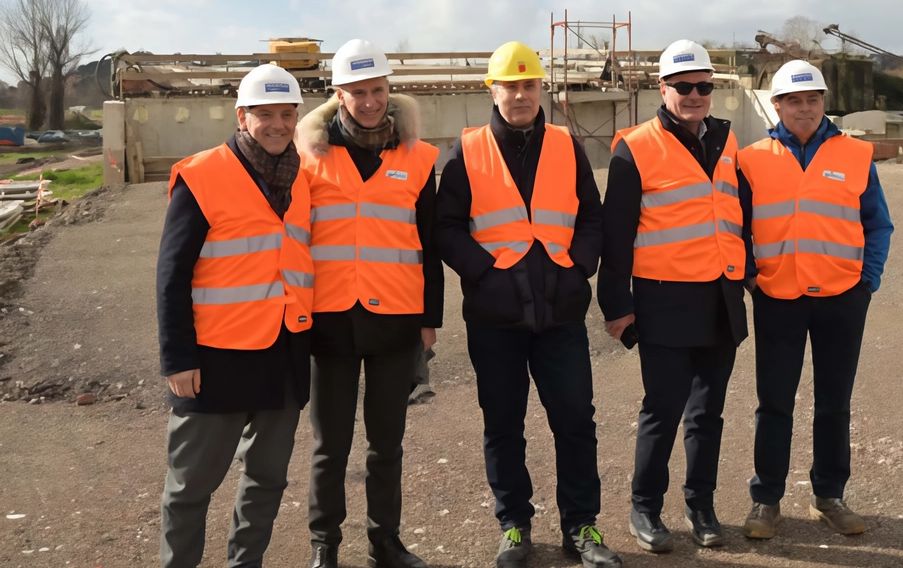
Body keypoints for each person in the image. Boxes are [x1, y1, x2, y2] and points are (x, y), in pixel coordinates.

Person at [435, 41, 620, 568]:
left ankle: (581, 526)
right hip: (496, 318)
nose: (520, 95)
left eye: (529, 84)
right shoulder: (466, 149)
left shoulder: (565, 144)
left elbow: (591, 216)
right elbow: (446, 228)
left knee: (575, 421)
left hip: (559, 314)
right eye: (510, 85)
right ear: (492, 90)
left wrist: (578, 265)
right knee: (502, 424)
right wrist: (484, 272)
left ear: (542, 88)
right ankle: (514, 525)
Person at [156, 64, 313, 568]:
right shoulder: (201, 176)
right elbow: (171, 275)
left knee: (267, 479)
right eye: (264, 114)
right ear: (241, 116)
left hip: (283, 355)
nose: (277, 125)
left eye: (287, 114)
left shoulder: (302, 180)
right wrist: (177, 358)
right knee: (190, 487)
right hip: (214, 358)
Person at [296, 39, 442, 568]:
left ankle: (386, 541)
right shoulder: (308, 155)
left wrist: (430, 321)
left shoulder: (419, 157)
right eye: (357, 92)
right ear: (338, 95)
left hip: (395, 322)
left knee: (387, 445)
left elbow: (429, 242)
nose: (369, 101)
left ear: (389, 90)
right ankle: (324, 545)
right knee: (329, 446)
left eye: (377, 90)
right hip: (328, 320)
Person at [598, 39, 748, 552]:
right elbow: (614, 237)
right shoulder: (635, 146)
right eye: (683, 87)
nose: (695, 95)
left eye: (703, 86)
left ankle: (701, 505)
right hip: (664, 302)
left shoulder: (727, 142)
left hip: (721, 299)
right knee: (662, 410)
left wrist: (747, 272)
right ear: (663, 89)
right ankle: (645, 509)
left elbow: (737, 213)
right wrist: (616, 307)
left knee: (708, 413)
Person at [736, 59, 893, 539]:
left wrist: (868, 280)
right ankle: (766, 501)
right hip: (778, 296)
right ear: (776, 105)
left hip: (843, 297)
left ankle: (830, 495)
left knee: (834, 402)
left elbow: (878, 223)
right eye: (794, 101)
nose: (804, 109)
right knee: (774, 402)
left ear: (824, 102)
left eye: (813, 100)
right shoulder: (752, 158)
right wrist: (751, 279)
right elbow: (736, 228)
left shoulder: (856, 155)